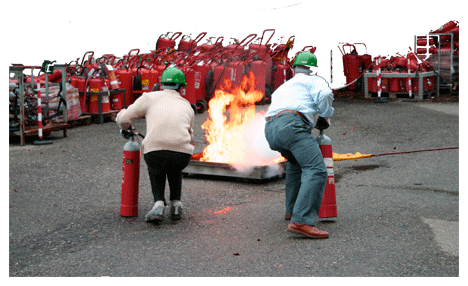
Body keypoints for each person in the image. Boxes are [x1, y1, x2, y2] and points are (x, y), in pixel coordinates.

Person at [264, 51, 334, 238]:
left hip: (271, 130)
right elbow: (326, 93)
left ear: (294, 68)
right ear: (312, 69)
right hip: (292, 126)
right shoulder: (313, 80)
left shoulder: (284, 86)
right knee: (317, 170)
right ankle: (302, 221)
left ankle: (292, 210)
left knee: (297, 164)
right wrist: (325, 115)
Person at [116, 67, 195, 223]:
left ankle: (158, 204)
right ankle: (176, 204)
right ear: (181, 86)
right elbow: (190, 134)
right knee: (174, 164)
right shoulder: (187, 105)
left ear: (162, 84)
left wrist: (124, 125)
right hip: (182, 156)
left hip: (156, 154)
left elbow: (124, 119)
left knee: (156, 166)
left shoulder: (149, 98)